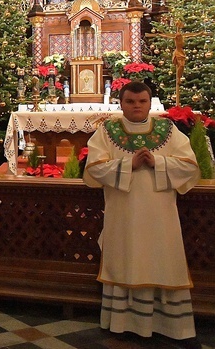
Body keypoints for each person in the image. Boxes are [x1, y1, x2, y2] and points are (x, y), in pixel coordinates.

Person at [83, 81, 200, 344]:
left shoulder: (168, 130)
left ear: (150, 102)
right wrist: (129, 164)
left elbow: (189, 166)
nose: (136, 106)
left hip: (161, 215)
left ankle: (167, 325)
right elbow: (93, 169)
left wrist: (157, 162)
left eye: (142, 101)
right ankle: (124, 322)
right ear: (121, 103)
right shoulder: (106, 131)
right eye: (130, 101)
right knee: (126, 259)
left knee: (161, 260)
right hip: (123, 214)